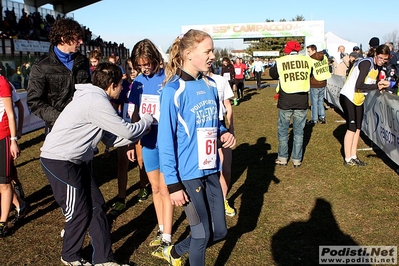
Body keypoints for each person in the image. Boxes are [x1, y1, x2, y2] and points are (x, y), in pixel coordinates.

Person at [40, 62, 152, 266]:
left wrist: (138, 132)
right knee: (80, 211)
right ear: (111, 84)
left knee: (97, 206)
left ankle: (103, 259)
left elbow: (111, 138)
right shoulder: (95, 101)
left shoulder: (95, 99)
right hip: (59, 160)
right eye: (121, 85)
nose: (123, 89)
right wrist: (146, 121)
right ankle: (70, 255)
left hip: (77, 161)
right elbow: (127, 131)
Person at [158, 29, 236, 266]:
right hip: (188, 175)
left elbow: (213, 123)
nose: (213, 55)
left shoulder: (212, 85)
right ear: (189, 54)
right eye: (208, 51)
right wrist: (173, 185)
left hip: (211, 169)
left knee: (220, 231)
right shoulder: (173, 90)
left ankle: (173, 252)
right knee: (201, 234)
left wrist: (224, 134)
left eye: (212, 50)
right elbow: (165, 140)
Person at [126, 38, 174, 259]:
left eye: (147, 63)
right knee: (154, 189)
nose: (144, 68)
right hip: (147, 141)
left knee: (165, 189)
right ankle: (162, 228)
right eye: (140, 65)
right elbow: (133, 115)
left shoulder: (168, 77)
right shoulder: (137, 83)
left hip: (166, 140)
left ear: (156, 59)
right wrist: (131, 142)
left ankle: (167, 238)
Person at [27, 18, 91, 135]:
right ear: (63, 38)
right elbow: (34, 101)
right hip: (57, 128)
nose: (81, 42)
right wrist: (62, 118)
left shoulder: (83, 62)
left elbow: (88, 92)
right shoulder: (41, 66)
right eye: (77, 38)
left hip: (82, 125)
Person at [339, 44, 391, 166]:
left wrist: (380, 86)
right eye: (380, 58)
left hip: (358, 98)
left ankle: (353, 155)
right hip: (348, 96)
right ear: (375, 54)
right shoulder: (366, 63)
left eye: (385, 59)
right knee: (351, 128)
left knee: (358, 128)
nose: (382, 61)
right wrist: (377, 85)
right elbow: (359, 85)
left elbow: (370, 83)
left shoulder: (377, 67)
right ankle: (348, 159)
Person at [269, 40, 313, 168]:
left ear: (287, 49)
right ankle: (297, 159)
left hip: (286, 100)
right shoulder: (307, 61)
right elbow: (310, 74)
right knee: (299, 132)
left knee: (283, 131)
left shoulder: (281, 61)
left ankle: (282, 158)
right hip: (302, 100)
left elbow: (272, 74)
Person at [204, 65, 236, 217]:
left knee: (226, 168)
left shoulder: (220, 80)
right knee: (207, 168)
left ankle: (223, 200)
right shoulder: (194, 82)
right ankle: (207, 201)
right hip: (203, 127)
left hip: (221, 126)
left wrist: (231, 129)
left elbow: (228, 106)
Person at [0, 75, 27, 237]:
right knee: (2, 181)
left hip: (3, 136)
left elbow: (13, 112)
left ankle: (2, 222)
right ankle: (20, 204)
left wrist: (14, 139)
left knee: (4, 182)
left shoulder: (3, 83)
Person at [306, 44, 331, 125]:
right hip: (323, 81)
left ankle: (314, 119)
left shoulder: (311, 60)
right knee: (321, 101)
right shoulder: (324, 57)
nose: (308, 53)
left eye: (309, 51)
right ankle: (322, 117)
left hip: (315, 82)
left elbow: (309, 72)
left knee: (314, 102)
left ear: (314, 50)